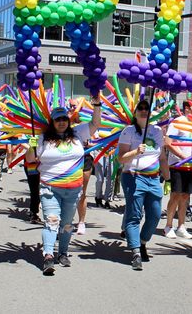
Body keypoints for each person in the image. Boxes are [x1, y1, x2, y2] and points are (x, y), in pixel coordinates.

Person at [26, 95, 101, 276]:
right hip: (50, 188)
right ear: (52, 122)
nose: (61, 122)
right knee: (52, 221)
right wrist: (31, 145)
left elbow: (96, 123)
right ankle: (48, 256)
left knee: (67, 224)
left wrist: (97, 103)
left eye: (64, 119)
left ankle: (63, 252)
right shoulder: (43, 138)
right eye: (57, 119)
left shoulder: (78, 134)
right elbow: (30, 160)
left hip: (73, 189)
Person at [118, 99, 169, 271]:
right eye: (140, 108)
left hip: (153, 179)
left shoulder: (156, 131)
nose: (144, 111)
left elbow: (161, 157)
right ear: (135, 112)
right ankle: (135, 253)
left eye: (147, 108)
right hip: (133, 177)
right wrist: (135, 151)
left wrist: (167, 175)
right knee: (134, 216)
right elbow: (121, 158)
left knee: (155, 215)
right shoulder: (129, 131)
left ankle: (142, 242)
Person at [163, 101, 192, 239]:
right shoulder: (177, 122)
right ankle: (168, 226)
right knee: (176, 195)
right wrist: (183, 156)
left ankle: (181, 226)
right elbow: (168, 143)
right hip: (178, 164)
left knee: (185, 197)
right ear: (187, 108)